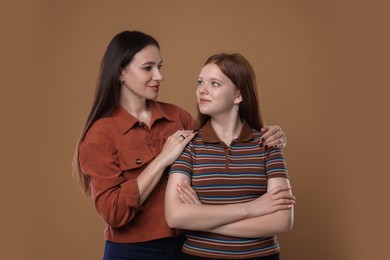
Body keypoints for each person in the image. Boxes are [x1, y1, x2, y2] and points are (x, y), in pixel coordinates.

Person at [73, 31, 287, 260]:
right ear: (120, 73)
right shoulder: (100, 135)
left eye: (160, 67)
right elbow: (113, 212)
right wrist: (162, 159)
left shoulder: (178, 118)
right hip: (134, 251)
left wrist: (273, 136)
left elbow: (224, 138)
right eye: (148, 68)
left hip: (188, 245)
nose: (159, 76)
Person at [165, 53, 295, 260]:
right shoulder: (188, 145)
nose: (202, 90)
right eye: (200, 82)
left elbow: (282, 221)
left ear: (238, 96)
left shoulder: (268, 143)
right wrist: (252, 208)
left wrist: (203, 217)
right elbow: (175, 216)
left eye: (215, 83)